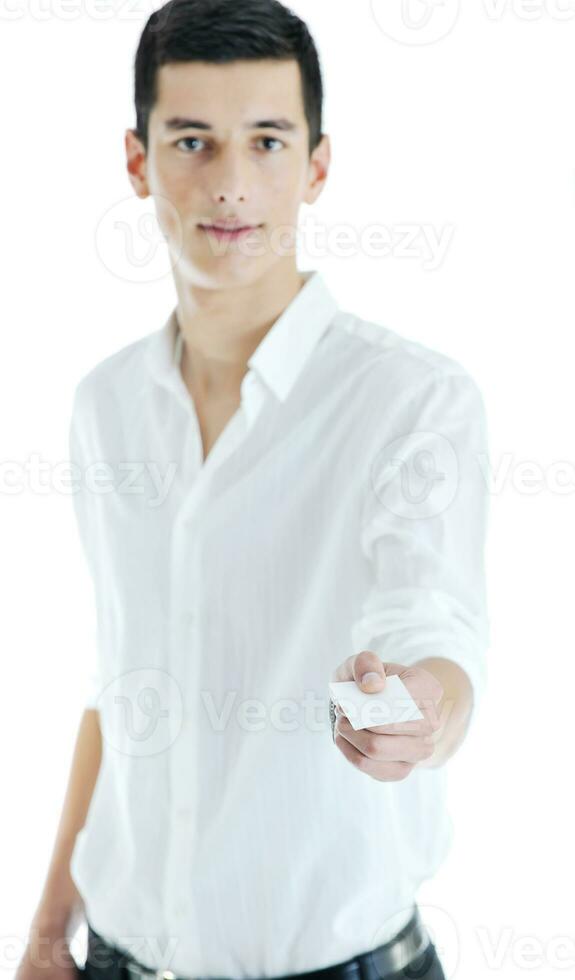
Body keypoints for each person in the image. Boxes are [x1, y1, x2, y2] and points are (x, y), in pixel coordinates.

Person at [16, 2, 491, 980]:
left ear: (316, 165)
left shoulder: (408, 400)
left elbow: (430, 624)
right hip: (111, 959)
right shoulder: (105, 405)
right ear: (137, 162)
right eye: (192, 140)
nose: (230, 183)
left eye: (266, 141)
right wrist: (45, 925)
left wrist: (416, 712)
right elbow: (121, 685)